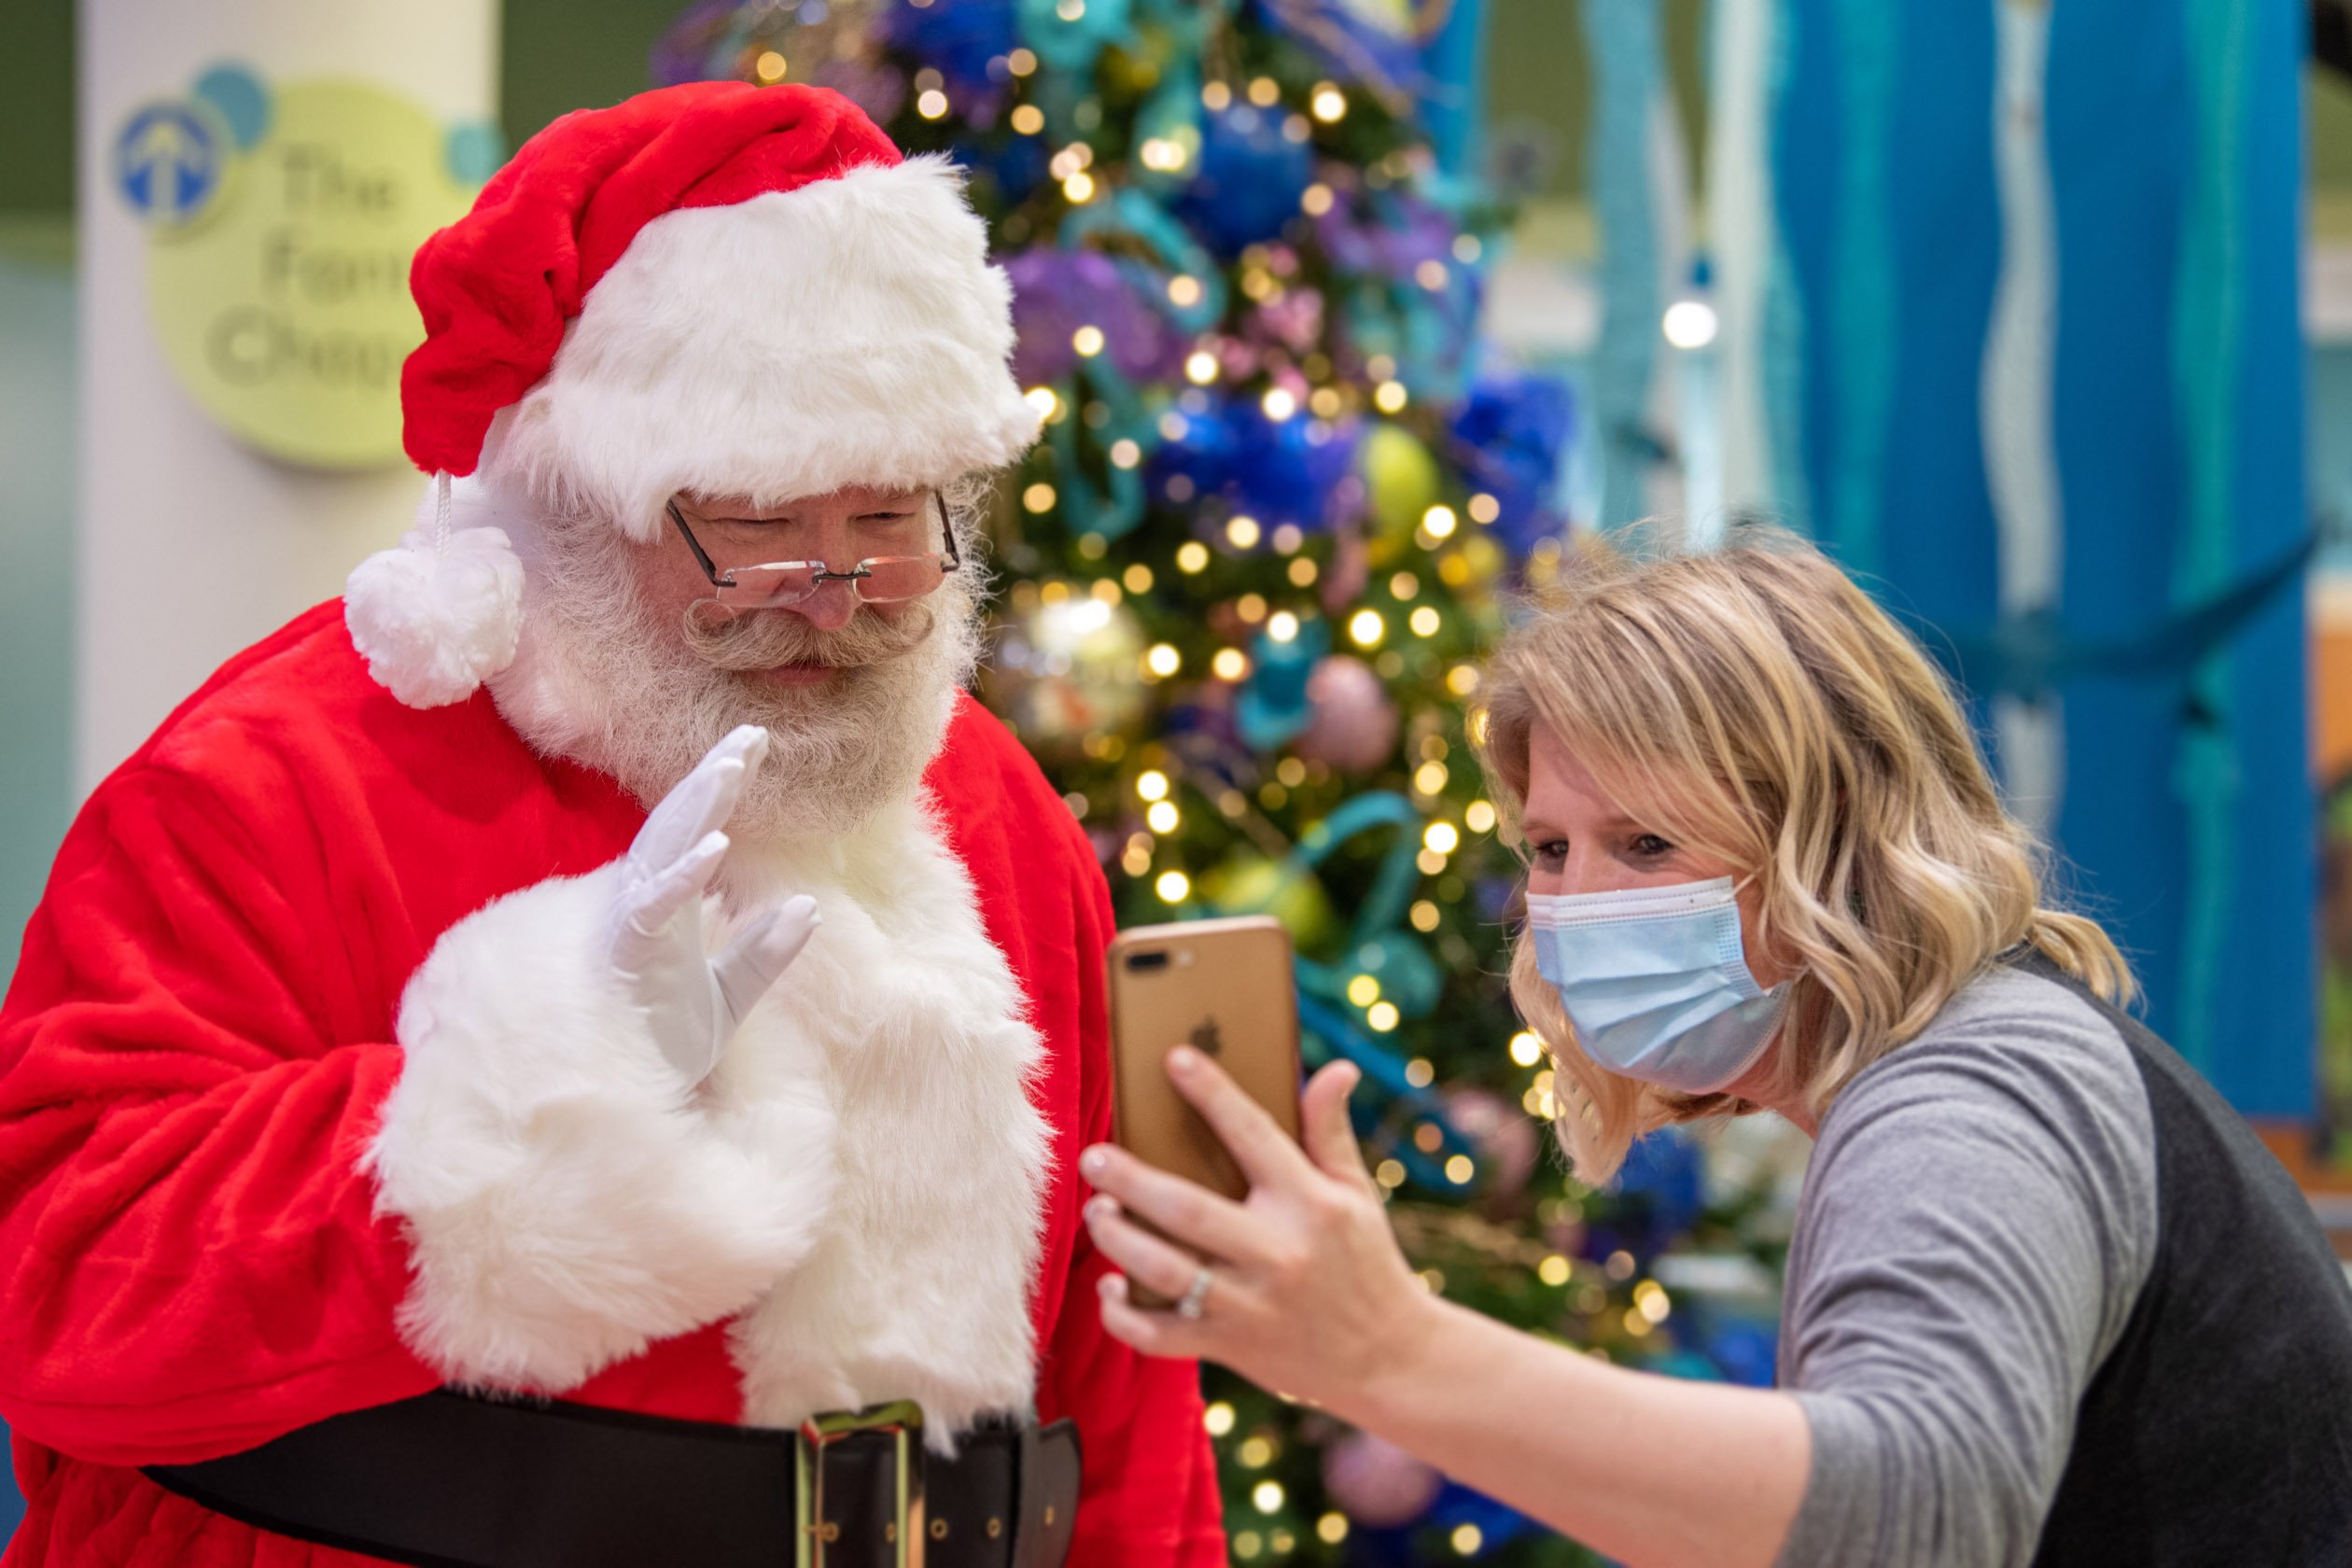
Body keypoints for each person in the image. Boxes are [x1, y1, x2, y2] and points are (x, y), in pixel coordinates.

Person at [0, 82, 1223, 1568]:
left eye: (891, 521)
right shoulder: (270, 785)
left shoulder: (995, 810)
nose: (833, 595)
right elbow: (62, 1282)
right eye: (760, 526)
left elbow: (1122, 1406)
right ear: (575, 497)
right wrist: (513, 1102)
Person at [1075, 530, 2352, 1566]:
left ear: (1836, 844)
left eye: (1648, 846)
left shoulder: (1971, 1091)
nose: (1574, 907)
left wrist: (1391, 1352)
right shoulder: (1974, 1058)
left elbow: (1926, 1511)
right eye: (1550, 849)